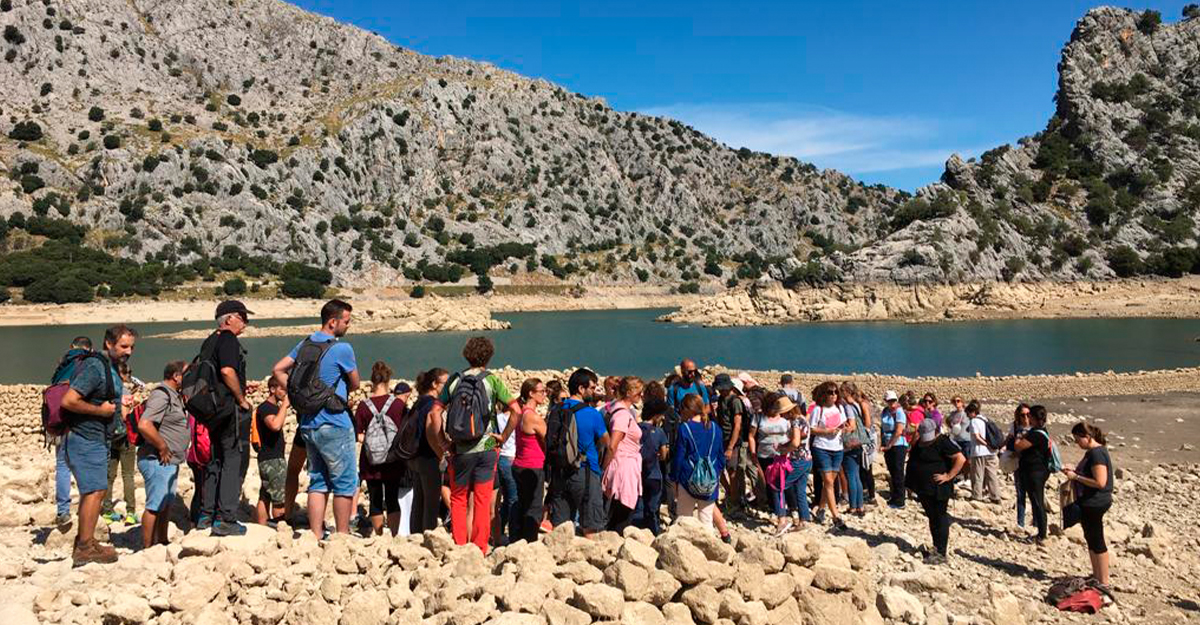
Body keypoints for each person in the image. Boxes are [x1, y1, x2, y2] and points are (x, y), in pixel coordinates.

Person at [272, 299, 360, 539]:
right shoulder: (343, 349)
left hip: (308, 423)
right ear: (333, 322)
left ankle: (316, 533)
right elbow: (355, 383)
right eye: (346, 321)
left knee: (318, 480)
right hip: (335, 422)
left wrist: (295, 391)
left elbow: (278, 369)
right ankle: (342, 534)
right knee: (344, 481)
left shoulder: (304, 344)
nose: (348, 326)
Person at [433, 336, 521, 553]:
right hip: (487, 448)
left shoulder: (455, 380)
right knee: (482, 500)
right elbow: (516, 411)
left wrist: (444, 441)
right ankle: (480, 548)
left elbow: (436, 411)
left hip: (460, 450)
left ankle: (460, 544)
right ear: (489, 357)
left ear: (466, 354)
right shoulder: (492, 381)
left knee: (458, 498)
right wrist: (505, 436)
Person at [60, 324, 137, 565]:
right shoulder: (96, 366)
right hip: (86, 437)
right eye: (124, 346)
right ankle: (84, 547)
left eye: (132, 347)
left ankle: (87, 540)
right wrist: (101, 411)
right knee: (94, 491)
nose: (129, 351)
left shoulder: (110, 367)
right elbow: (69, 400)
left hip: (97, 438)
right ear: (109, 344)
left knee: (95, 490)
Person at [197, 300, 254, 537]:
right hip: (227, 408)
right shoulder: (229, 339)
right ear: (229, 319)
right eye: (243, 317)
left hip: (211, 410)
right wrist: (241, 399)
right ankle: (227, 519)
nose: (246, 323)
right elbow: (227, 371)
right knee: (233, 459)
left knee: (215, 459)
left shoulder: (209, 341)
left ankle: (206, 514)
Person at [546, 368, 610, 537]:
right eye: (592, 388)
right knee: (591, 527)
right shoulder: (591, 413)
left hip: (559, 471)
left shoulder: (556, 410)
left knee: (560, 530)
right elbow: (608, 444)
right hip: (585, 470)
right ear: (581, 389)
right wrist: (603, 467)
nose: (594, 392)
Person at [135, 360, 188, 548]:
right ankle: (147, 547)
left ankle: (162, 540)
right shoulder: (161, 394)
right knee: (155, 504)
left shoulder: (175, 395)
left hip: (169, 460)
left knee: (165, 503)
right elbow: (144, 424)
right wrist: (162, 446)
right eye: (186, 374)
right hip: (156, 459)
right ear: (176, 376)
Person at [352, 361, 406, 536]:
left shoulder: (363, 406)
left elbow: (358, 434)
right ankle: (394, 535)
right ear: (388, 380)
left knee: (375, 500)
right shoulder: (398, 405)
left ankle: (379, 535)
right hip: (393, 459)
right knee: (392, 498)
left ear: (372, 381)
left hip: (371, 459)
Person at [904, 418, 967, 565]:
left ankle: (941, 552)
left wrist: (949, 476)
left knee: (940, 518)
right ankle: (936, 547)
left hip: (939, 488)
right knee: (932, 518)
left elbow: (960, 458)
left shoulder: (942, 442)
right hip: (924, 489)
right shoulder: (919, 442)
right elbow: (913, 460)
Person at [1063, 422, 1113, 588]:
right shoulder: (1094, 452)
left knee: (1097, 539)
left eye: (1078, 440)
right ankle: (1097, 575)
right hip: (1091, 501)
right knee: (1091, 537)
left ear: (1088, 437)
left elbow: (1100, 482)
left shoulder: (1096, 454)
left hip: (1095, 501)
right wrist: (1075, 472)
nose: (1077, 443)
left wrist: (1075, 477)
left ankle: (1103, 580)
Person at [51, 336, 93, 528]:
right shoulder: (88, 364)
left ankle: (62, 511)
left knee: (62, 465)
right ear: (89, 349)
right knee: (86, 465)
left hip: (58, 422)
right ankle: (89, 508)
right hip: (79, 423)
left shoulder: (61, 364)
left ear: (71, 347)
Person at [750, 394, 802, 536]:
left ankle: (791, 509)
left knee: (785, 483)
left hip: (783, 454)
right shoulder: (758, 417)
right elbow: (751, 435)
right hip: (764, 454)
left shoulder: (785, 416)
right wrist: (753, 452)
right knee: (771, 483)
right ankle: (777, 509)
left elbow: (793, 435)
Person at [670, 394, 724, 529]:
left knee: (684, 518)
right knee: (706, 520)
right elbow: (721, 456)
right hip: (710, 481)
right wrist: (716, 473)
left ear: (687, 409)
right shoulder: (715, 428)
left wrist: (674, 479)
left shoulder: (685, 428)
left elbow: (679, 457)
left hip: (687, 478)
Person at [602, 377, 645, 533]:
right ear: (629, 393)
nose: (641, 395)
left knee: (620, 512)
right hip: (623, 467)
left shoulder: (621, 411)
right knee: (622, 513)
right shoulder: (622, 415)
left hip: (626, 464)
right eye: (639, 392)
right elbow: (613, 445)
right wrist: (604, 472)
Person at [409, 368, 448, 534]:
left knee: (418, 500)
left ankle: (415, 536)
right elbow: (430, 431)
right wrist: (441, 454)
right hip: (428, 457)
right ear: (434, 384)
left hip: (414, 457)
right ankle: (428, 537)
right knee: (431, 503)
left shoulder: (419, 401)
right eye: (445, 384)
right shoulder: (433, 405)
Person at [101, 363, 138, 526]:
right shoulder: (125, 391)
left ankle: (108, 510)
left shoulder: (107, 391)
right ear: (122, 374)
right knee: (128, 475)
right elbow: (125, 415)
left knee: (109, 475)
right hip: (125, 437)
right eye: (128, 372)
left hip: (110, 436)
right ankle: (131, 512)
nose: (129, 375)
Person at [511, 378, 547, 544]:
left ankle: (518, 539)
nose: (544, 394)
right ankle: (529, 542)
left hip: (520, 463)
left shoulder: (520, 413)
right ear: (531, 393)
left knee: (523, 504)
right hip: (533, 465)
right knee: (533, 507)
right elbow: (549, 440)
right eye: (541, 391)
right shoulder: (532, 417)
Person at [808, 381, 849, 530]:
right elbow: (811, 429)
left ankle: (820, 508)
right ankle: (836, 517)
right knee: (829, 482)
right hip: (822, 448)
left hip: (837, 448)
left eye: (835, 392)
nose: (833, 395)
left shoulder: (840, 408)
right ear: (824, 394)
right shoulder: (818, 410)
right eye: (830, 392)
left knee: (830, 481)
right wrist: (826, 431)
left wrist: (844, 428)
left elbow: (844, 424)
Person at [1013, 405, 1053, 544]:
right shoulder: (1039, 431)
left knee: (1037, 502)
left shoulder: (1036, 433)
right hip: (1035, 471)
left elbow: (1018, 446)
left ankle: (1042, 534)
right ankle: (1040, 531)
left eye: (1029, 415)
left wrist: (1018, 437)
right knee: (1036, 501)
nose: (1027, 418)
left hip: (1035, 472)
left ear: (1034, 418)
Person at [254, 377, 290, 525]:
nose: (285, 392)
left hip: (269, 458)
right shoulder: (266, 408)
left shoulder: (272, 407)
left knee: (265, 495)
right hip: (272, 460)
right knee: (279, 499)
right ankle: (279, 527)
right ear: (272, 389)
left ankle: (261, 527)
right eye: (282, 388)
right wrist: (285, 406)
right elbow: (275, 425)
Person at [711, 373, 746, 514]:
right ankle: (730, 494)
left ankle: (734, 499)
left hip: (732, 441)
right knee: (718, 469)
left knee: (732, 471)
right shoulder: (721, 399)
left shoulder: (735, 401)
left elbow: (737, 425)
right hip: (721, 439)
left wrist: (731, 447)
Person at [635, 398, 669, 535]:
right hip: (654, 474)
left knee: (639, 503)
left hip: (638, 473)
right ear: (656, 415)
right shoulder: (659, 432)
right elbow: (664, 455)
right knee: (653, 506)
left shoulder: (636, 428)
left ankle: (637, 530)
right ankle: (652, 532)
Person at [838, 382, 868, 516]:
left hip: (850, 444)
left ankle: (853, 506)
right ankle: (860, 505)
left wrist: (840, 429)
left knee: (850, 475)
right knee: (856, 476)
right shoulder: (857, 404)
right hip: (859, 443)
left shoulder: (847, 406)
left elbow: (852, 426)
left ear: (845, 392)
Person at [966, 401, 1002, 503]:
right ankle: (995, 496)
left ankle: (977, 496)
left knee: (977, 474)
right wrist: (990, 446)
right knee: (991, 474)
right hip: (990, 452)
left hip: (979, 452)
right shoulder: (985, 419)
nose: (967, 416)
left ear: (972, 412)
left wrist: (986, 444)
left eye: (968, 413)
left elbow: (977, 437)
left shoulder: (974, 421)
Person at [1005, 404, 1033, 530]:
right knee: (1021, 494)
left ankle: (1037, 521)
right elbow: (1009, 440)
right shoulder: (1015, 426)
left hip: (1033, 464)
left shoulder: (1035, 426)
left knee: (1034, 495)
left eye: (1028, 414)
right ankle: (1020, 523)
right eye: (1023, 415)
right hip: (1018, 463)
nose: (1026, 417)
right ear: (1018, 415)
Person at [880, 390, 909, 509]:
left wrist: (889, 445)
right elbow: (882, 428)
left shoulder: (899, 412)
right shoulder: (885, 411)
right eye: (889, 401)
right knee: (892, 471)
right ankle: (895, 496)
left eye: (893, 400)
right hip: (888, 443)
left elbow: (898, 431)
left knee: (898, 471)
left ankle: (900, 500)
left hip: (898, 445)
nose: (891, 403)